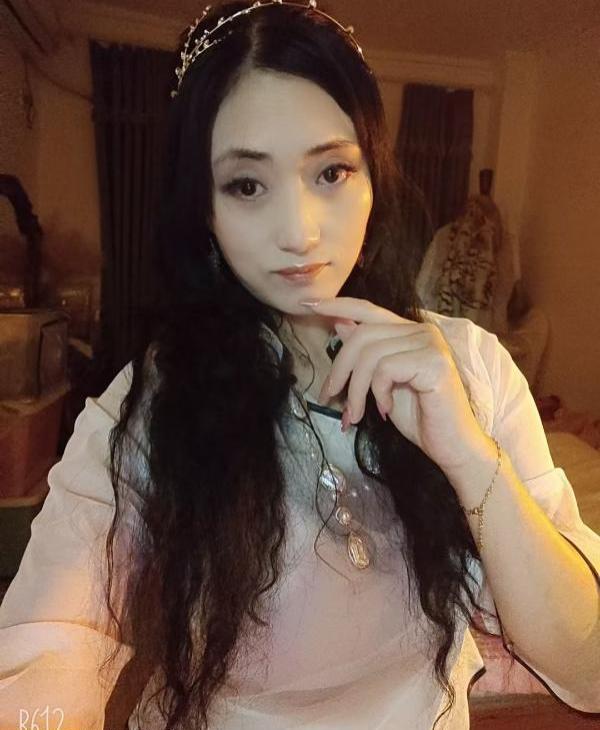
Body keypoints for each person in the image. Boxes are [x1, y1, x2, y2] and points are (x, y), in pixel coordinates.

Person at [1, 1, 599, 728]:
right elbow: (40, 651)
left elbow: (589, 671)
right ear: (205, 211)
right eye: (247, 185)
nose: (299, 231)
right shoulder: (150, 407)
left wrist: (470, 457)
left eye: (331, 172)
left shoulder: (470, 365)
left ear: (373, 177)